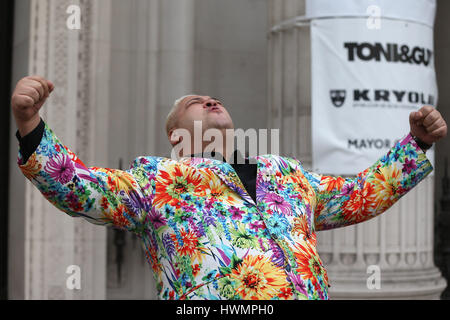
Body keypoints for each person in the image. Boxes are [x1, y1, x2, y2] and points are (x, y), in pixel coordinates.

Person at [11, 75, 448, 300]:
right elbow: (79, 187)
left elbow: (360, 195)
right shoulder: (157, 180)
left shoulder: (286, 173)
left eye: (214, 98)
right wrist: (30, 127)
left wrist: (418, 143)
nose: (210, 100)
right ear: (175, 134)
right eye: (193, 103)